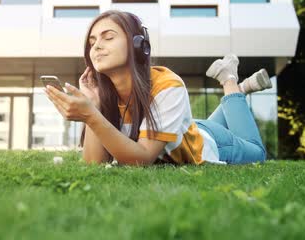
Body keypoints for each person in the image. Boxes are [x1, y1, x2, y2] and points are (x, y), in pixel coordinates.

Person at [44, 10, 271, 166]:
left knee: (257, 154)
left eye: (108, 38)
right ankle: (242, 88)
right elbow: (94, 164)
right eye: (92, 42)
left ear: (138, 45)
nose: (97, 47)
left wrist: (91, 117)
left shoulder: (167, 85)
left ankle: (229, 79)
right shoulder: (104, 94)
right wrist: (94, 106)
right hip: (180, 128)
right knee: (189, 127)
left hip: (210, 141)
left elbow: (142, 159)